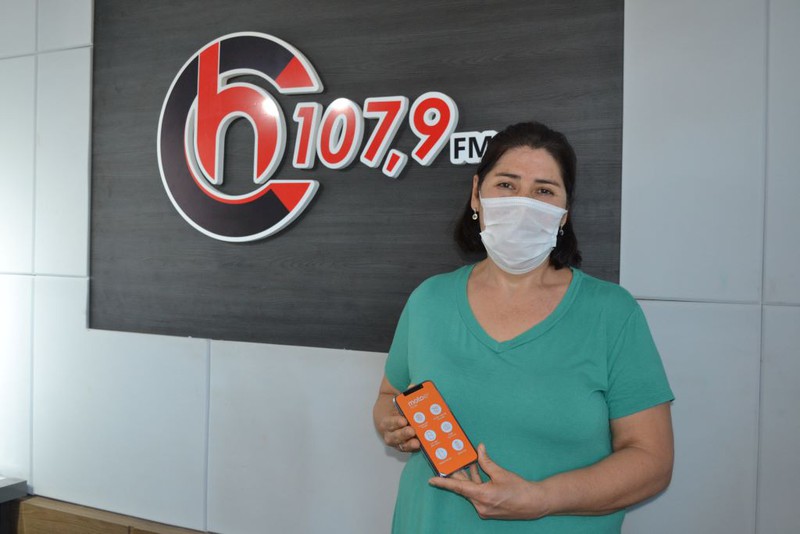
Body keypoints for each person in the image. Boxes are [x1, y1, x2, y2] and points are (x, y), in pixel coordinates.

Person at [372, 121, 674, 533]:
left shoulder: (611, 313)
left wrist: (542, 498)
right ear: (476, 194)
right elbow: (390, 397)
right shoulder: (429, 299)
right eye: (506, 185)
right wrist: (390, 424)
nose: (522, 204)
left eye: (544, 191)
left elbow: (652, 462)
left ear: (564, 213)